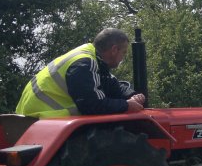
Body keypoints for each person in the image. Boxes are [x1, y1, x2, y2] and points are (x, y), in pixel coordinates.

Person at [16, 28, 146, 117]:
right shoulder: (84, 63)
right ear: (114, 50)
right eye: (124, 52)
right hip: (42, 117)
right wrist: (126, 105)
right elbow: (92, 105)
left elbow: (108, 83)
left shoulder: (90, 57)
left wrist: (133, 95)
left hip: (31, 118)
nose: (123, 58)